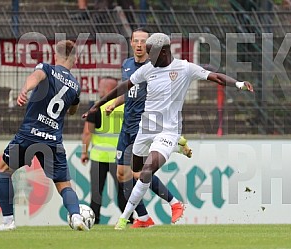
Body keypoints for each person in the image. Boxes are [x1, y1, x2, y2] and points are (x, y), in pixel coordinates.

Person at [82, 33, 254, 230]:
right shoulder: (148, 69)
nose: (148, 57)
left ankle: (125, 218)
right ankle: (174, 155)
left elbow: (214, 76)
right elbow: (124, 87)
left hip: (168, 131)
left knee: (146, 172)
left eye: (150, 53)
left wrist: (238, 84)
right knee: (136, 172)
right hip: (145, 130)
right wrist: (98, 105)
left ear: (163, 52)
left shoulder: (184, 67)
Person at [0, 40, 89, 231]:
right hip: (53, 140)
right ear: (75, 58)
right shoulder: (75, 86)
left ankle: (8, 222)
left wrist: (25, 89)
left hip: (30, 134)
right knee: (64, 185)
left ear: (56, 55)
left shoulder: (47, 68)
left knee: (4, 170)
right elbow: (73, 110)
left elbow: (36, 76)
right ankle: (77, 216)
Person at [105, 28, 191, 228]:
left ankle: (173, 202)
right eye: (135, 41)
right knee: (121, 174)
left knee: (139, 173)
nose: (139, 44)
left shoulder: (155, 66)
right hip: (127, 125)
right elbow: (130, 91)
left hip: (145, 125)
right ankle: (143, 217)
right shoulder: (127, 65)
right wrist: (115, 103)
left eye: (143, 41)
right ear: (131, 42)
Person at [81, 76, 126, 224]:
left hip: (98, 157)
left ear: (108, 89)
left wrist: (84, 152)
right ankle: (130, 219)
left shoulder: (96, 108)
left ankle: (94, 221)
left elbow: (87, 133)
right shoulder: (124, 107)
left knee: (96, 193)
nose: (99, 90)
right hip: (118, 158)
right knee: (123, 192)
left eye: (100, 87)